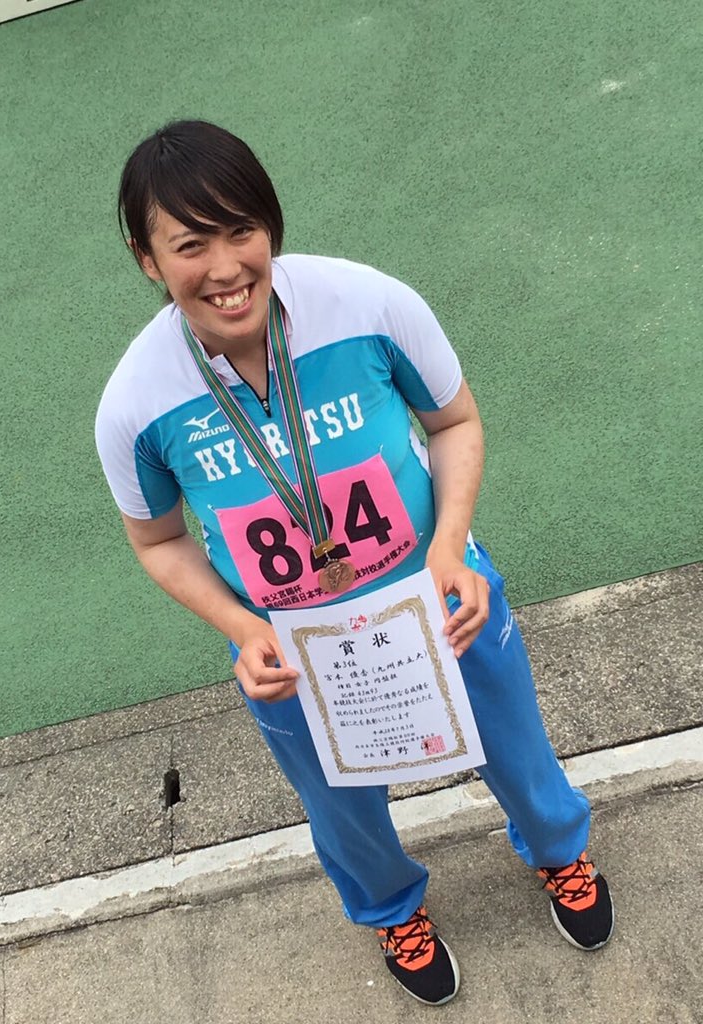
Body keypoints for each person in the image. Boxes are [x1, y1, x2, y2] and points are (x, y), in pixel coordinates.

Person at [95, 120, 614, 1007]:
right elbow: (158, 540)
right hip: (293, 649)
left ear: (270, 225)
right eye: (190, 244)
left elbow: (454, 421)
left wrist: (449, 547)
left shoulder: (368, 305)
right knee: (341, 805)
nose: (225, 267)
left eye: (241, 231)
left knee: (516, 746)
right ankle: (391, 910)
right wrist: (243, 629)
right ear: (148, 260)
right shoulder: (136, 402)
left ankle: (561, 853)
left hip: (440, 595)